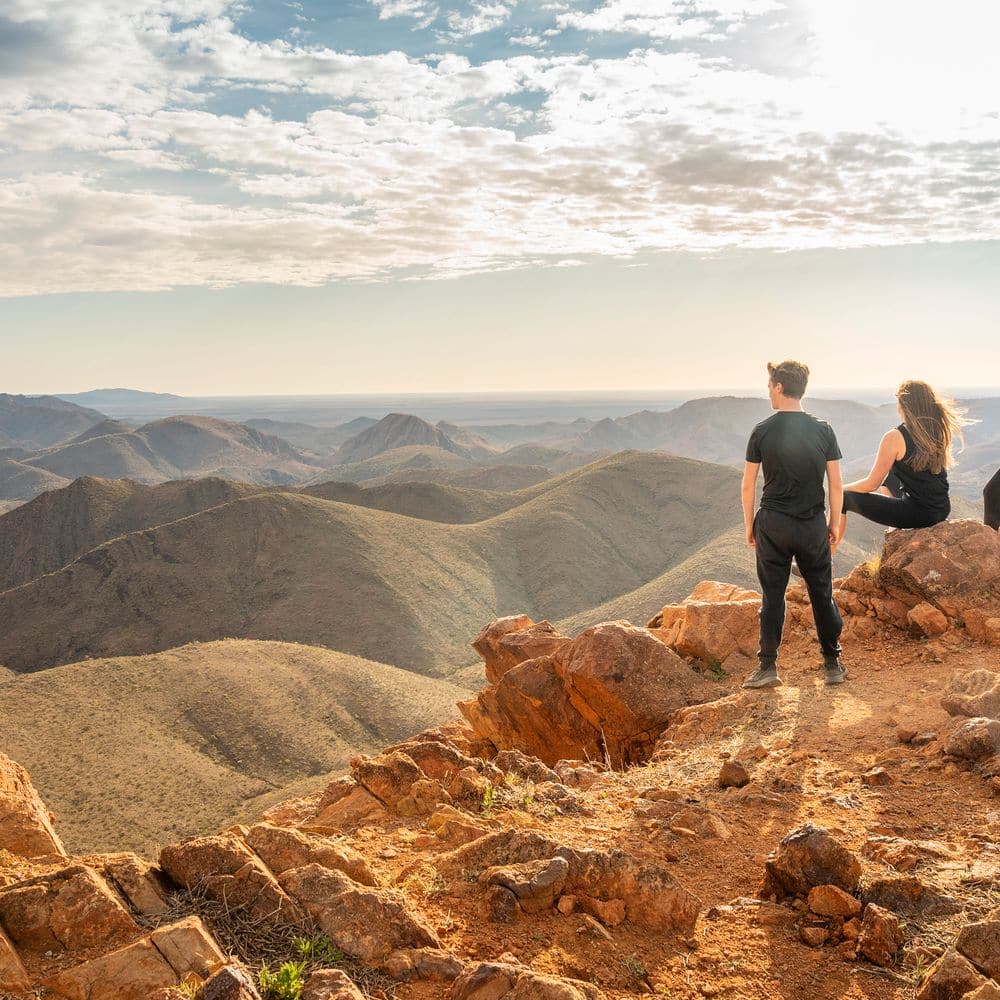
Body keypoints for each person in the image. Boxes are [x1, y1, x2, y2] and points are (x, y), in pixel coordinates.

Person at [741, 360, 845, 689]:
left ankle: (768, 667)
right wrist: (833, 522)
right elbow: (836, 484)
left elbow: (748, 485)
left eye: (770, 385)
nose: (768, 391)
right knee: (821, 592)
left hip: (773, 524)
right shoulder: (823, 429)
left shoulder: (762, 430)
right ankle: (832, 664)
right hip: (812, 523)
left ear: (780, 387)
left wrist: (749, 524)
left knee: (773, 595)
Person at [835, 380, 966, 545]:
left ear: (903, 405)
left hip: (918, 514)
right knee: (890, 476)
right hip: (941, 509)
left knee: (843, 498)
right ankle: (895, 529)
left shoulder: (894, 437)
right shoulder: (936, 430)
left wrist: (839, 489)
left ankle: (823, 560)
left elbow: (870, 484)